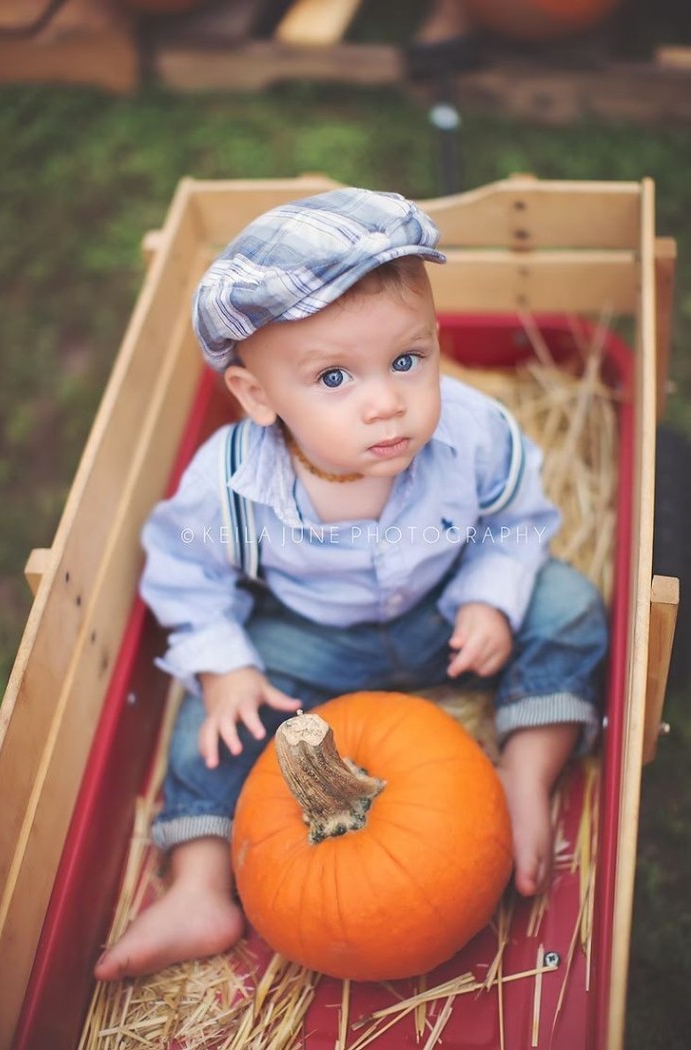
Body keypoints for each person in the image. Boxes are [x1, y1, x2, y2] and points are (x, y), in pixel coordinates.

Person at [94, 187, 607, 981]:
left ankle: (526, 774)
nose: (386, 402)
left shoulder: (471, 434)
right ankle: (200, 885)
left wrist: (491, 595)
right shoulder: (229, 485)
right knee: (213, 712)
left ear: (436, 343)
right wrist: (226, 663)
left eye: (408, 361)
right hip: (313, 638)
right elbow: (185, 570)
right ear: (259, 397)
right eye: (335, 378)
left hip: (446, 614)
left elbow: (516, 520)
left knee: (568, 603)